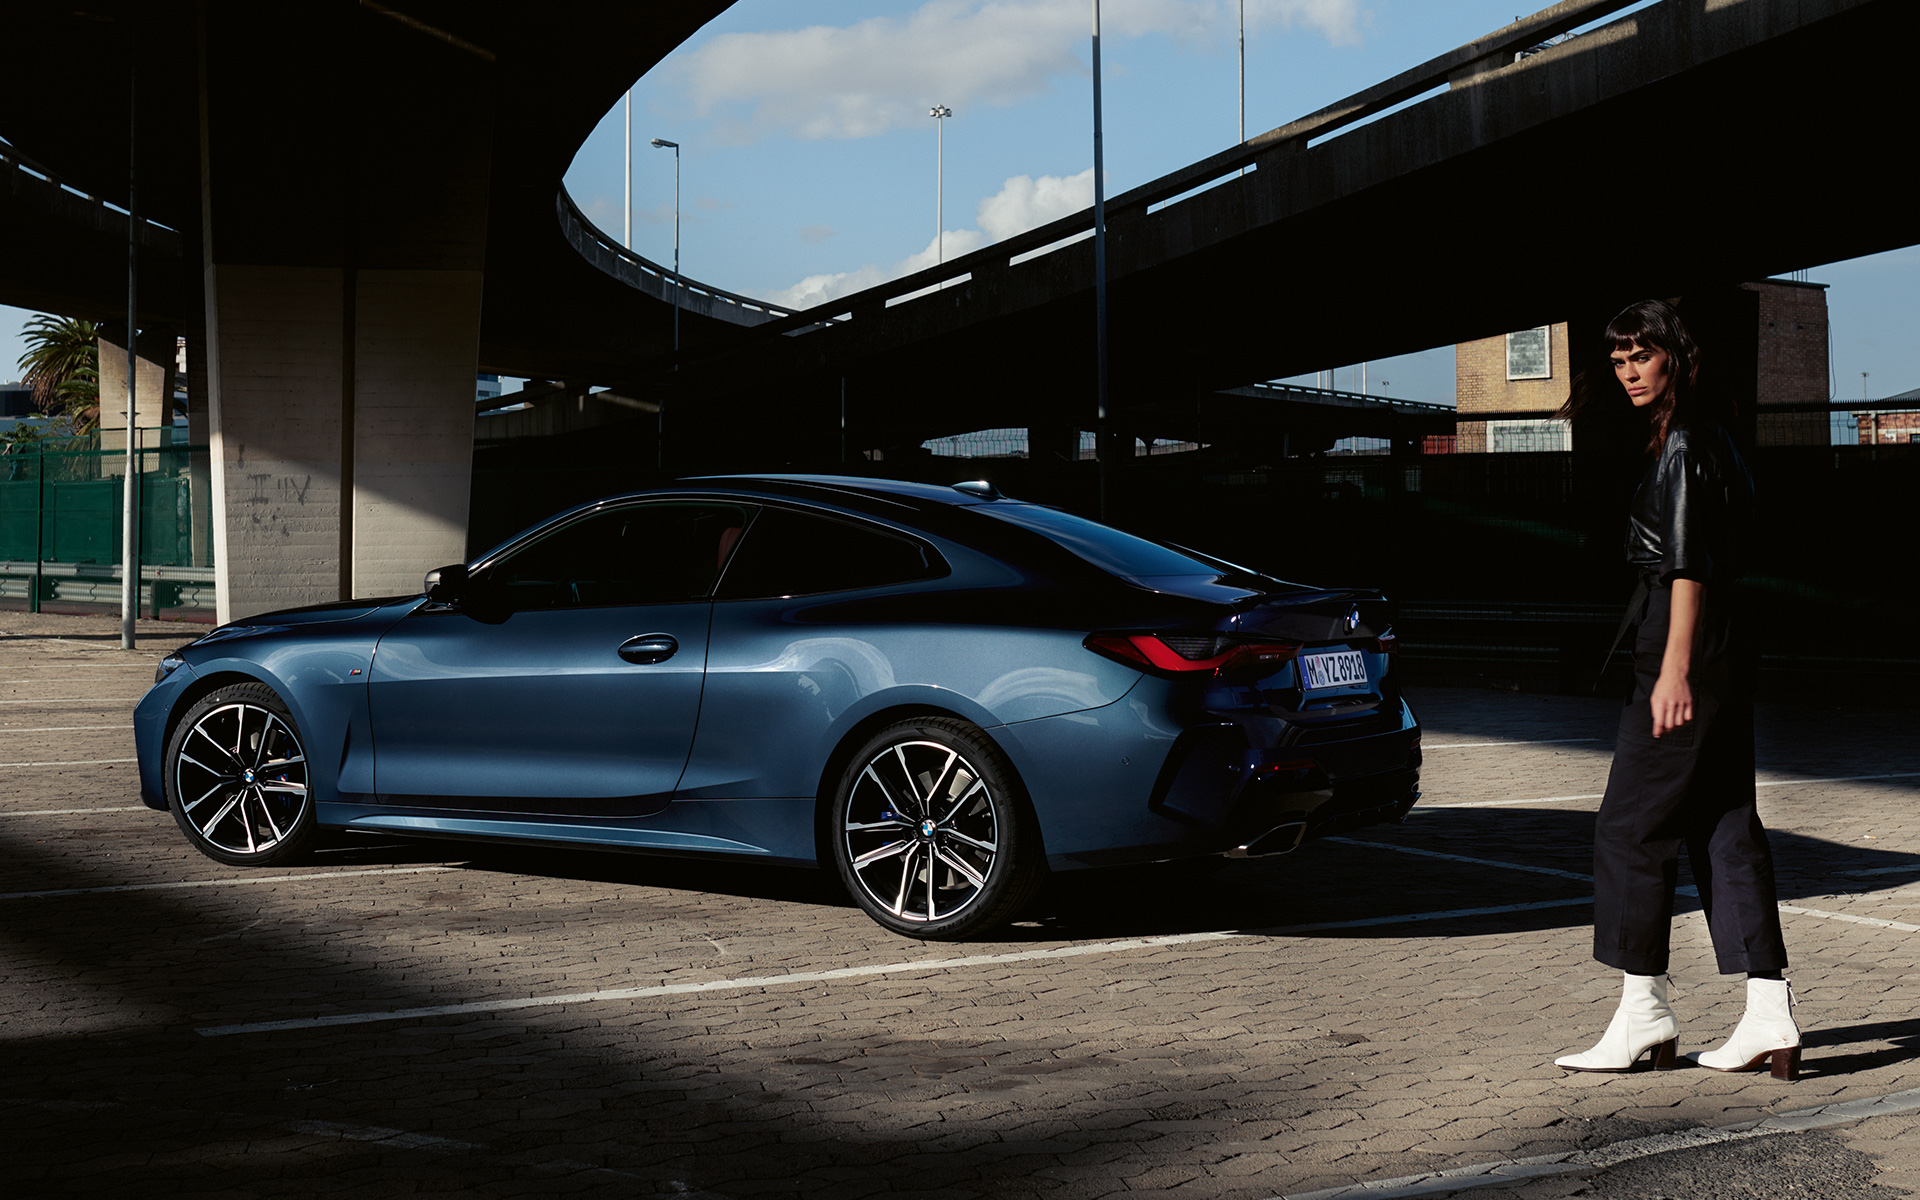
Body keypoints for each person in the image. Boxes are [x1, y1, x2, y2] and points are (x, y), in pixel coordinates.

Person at [1552, 299, 1800, 1080]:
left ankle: (1643, 1014)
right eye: (1619, 358)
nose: (1628, 371)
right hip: (1724, 648)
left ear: (1675, 358)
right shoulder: (1713, 436)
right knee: (1726, 825)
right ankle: (1769, 1013)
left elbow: (1686, 563)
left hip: (1683, 644)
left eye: (1642, 356)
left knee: (1629, 830)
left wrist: (1674, 670)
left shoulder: (1687, 442)